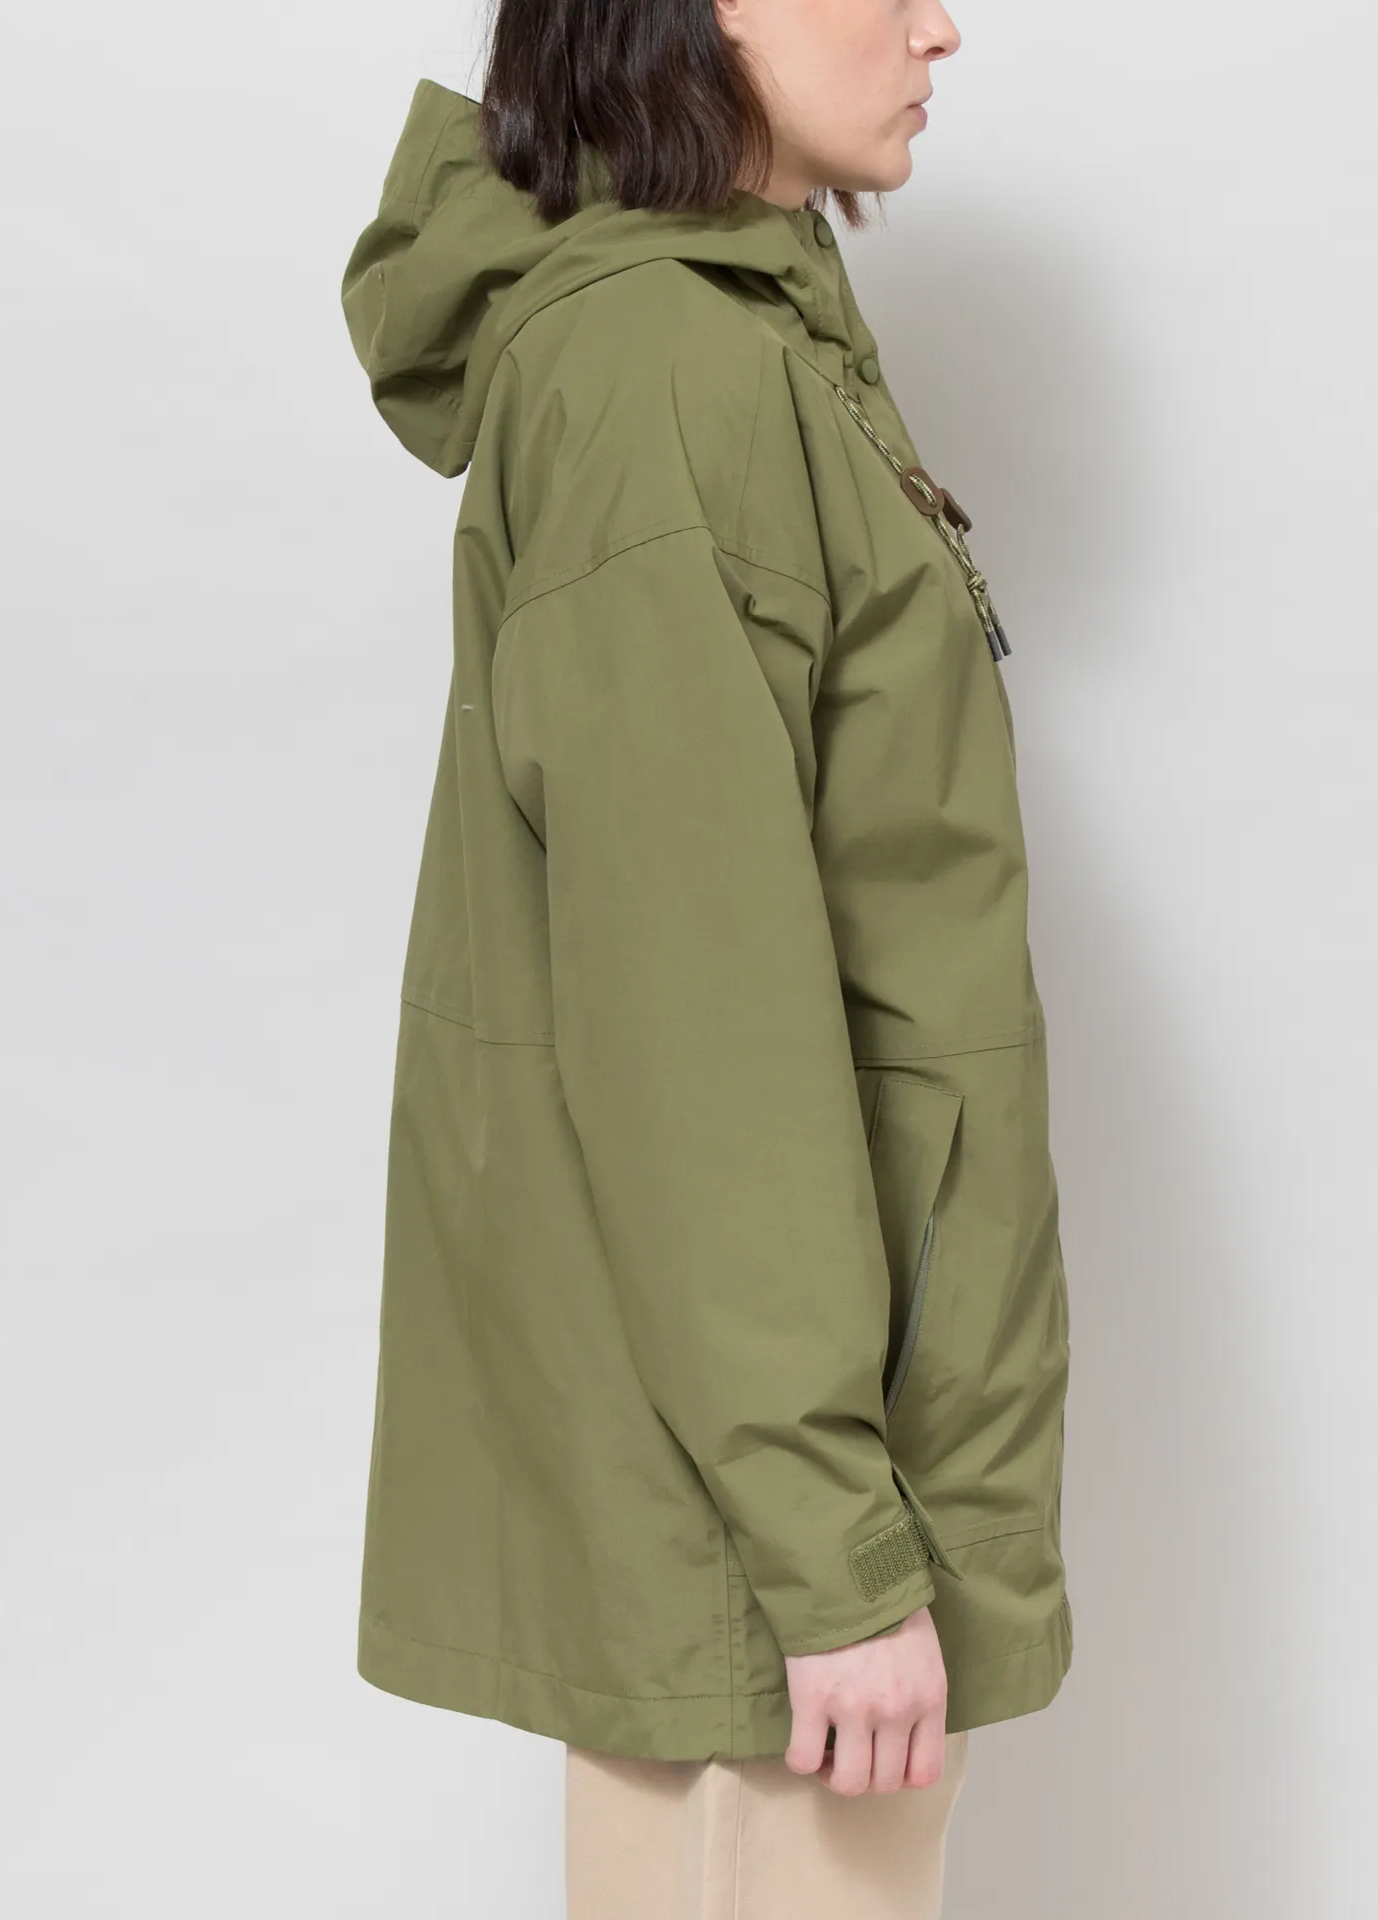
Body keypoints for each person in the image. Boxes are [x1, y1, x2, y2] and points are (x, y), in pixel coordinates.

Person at [337, 1, 1073, 1910]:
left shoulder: (756, 330)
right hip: (774, 1535)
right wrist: (835, 1558)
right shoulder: (669, 370)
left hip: (811, 1477)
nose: (940, 28)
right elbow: (693, 1029)